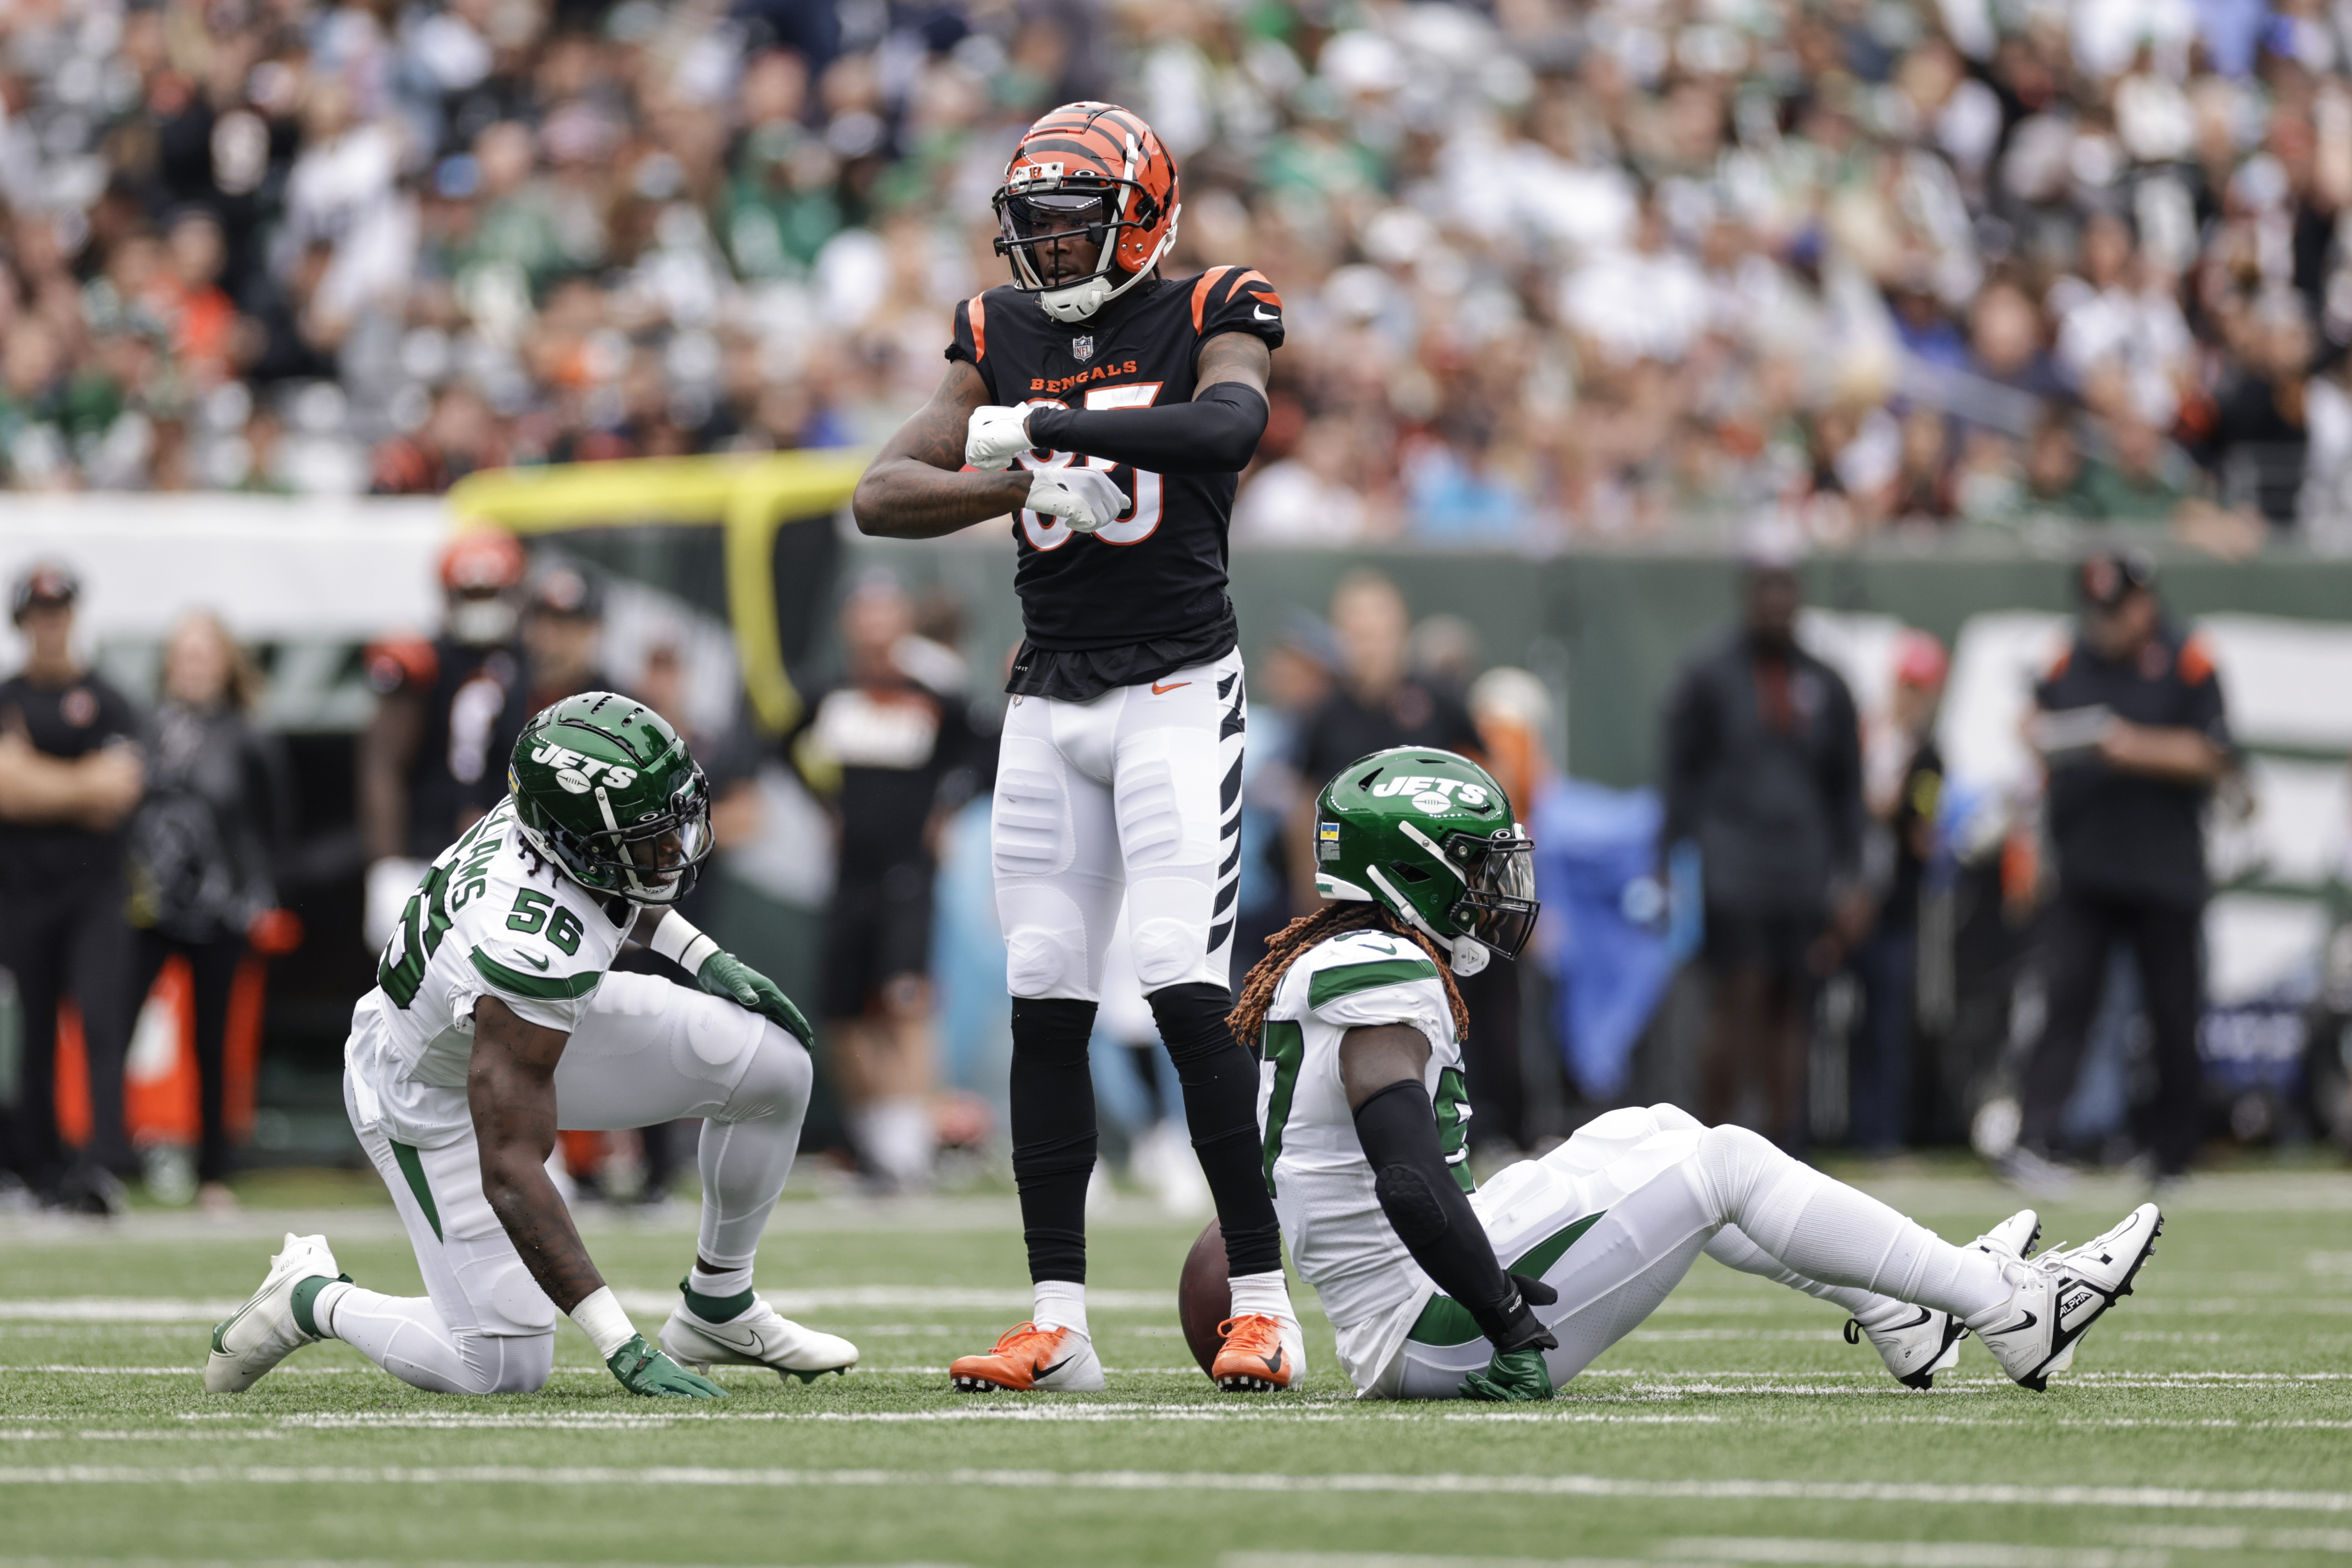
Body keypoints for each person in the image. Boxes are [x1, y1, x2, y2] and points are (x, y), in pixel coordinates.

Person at [1219, 745, 2161, 1402]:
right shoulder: (1378, 972)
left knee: (1657, 1128)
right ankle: (2011, 1306)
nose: (1490, 886)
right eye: (1470, 863)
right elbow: (1408, 1171)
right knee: (1726, 1165)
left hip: (1410, 1305)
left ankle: (1903, 1310)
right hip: (1436, 1328)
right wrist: (1501, 1309)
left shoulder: (1336, 957)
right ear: (1410, 871)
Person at [851, 100, 1302, 1393]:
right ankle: (1058, 1318)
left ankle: (1263, 1304)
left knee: (1175, 977)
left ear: (1139, 218)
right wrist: (1008, 483)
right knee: (1042, 994)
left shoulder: (1216, 296)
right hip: (1047, 699)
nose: (1049, 250)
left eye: (1071, 224)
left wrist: (1056, 430)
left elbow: (1227, 428)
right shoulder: (993, 331)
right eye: (1033, 228)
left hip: (1173, 686)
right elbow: (882, 493)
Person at [203, 693, 856, 1400]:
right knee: (501, 1367)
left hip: (523, 1022)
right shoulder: (523, 947)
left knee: (773, 1068)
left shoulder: (549, 826)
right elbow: (512, 1167)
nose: (675, 847)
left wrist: (701, 958)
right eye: (651, 835)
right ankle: (311, 1298)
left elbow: (611, 887)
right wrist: (620, 1343)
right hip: (432, 1089)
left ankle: (718, 1306)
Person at [2015, 551, 2229, 1187]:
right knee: (2063, 1009)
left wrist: (2129, 747)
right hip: (2084, 868)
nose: (2101, 623)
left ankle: (2172, 1151)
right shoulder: (2064, 656)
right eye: (2094, 610)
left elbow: (2214, 753)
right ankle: (2038, 1140)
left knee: (2170, 1015)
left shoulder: (2189, 657)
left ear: (2144, 604)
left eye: (2114, 610)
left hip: (2163, 870)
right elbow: (2031, 728)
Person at [1661, 556, 1865, 1155]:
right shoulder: (1708, 675)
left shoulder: (1826, 682)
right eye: (1765, 590)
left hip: (1802, 870)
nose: (1776, 603)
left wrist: (1852, 876)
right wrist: (1670, 860)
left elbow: (1846, 787)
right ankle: (1714, 1144)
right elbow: (1680, 775)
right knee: (1736, 998)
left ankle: (1784, 1145)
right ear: (1747, 595)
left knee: (1792, 1004)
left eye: (1787, 590)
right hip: (1732, 867)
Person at [789, 571, 985, 1191]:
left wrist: (946, 809)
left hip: (908, 873)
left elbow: (986, 748)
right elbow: (780, 744)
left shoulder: (933, 694)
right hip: (849, 878)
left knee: (905, 1003)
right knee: (842, 1013)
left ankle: (907, 1148)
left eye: (884, 613)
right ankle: (875, 1142)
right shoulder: (831, 693)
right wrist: (826, 807)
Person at [121, 611, 292, 1214]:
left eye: (203, 653)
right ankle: (106, 1157)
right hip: (150, 906)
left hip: (223, 910)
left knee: (214, 1043)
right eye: (183, 653)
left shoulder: (248, 734)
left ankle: (215, 1171)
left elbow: (273, 824)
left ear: (225, 663)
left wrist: (259, 894)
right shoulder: (146, 727)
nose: (192, 665)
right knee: (112, 1025)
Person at [0, 562, 144, 1211]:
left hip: (95, 892)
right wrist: (78, 783)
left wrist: (38, 779)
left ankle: (103, 1163)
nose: (50, 626)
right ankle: (37, 1167)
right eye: (40, 615)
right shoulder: (8, 698)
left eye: (59, 613)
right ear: (24, 622)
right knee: (29, 1031)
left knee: (101, 1021)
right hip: (21, 890)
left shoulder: (108, 698)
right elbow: (6, 790)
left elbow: (119, 790)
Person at [357, 532, 534, 956]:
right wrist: (388, 863)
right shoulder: (420, 661)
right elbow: (381, 763)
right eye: (469, 595)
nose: (480, 607)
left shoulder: (536, 664)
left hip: (515, 859)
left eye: (490, 593)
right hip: (429, 850)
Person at [1849, 631, 1947, 1155]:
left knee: (1886, 1022)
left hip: (1892, 909)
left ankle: (1879, 1133)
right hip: (1843, 905)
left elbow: (1920, 822)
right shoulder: (1863, 736)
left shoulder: (1928, 754)